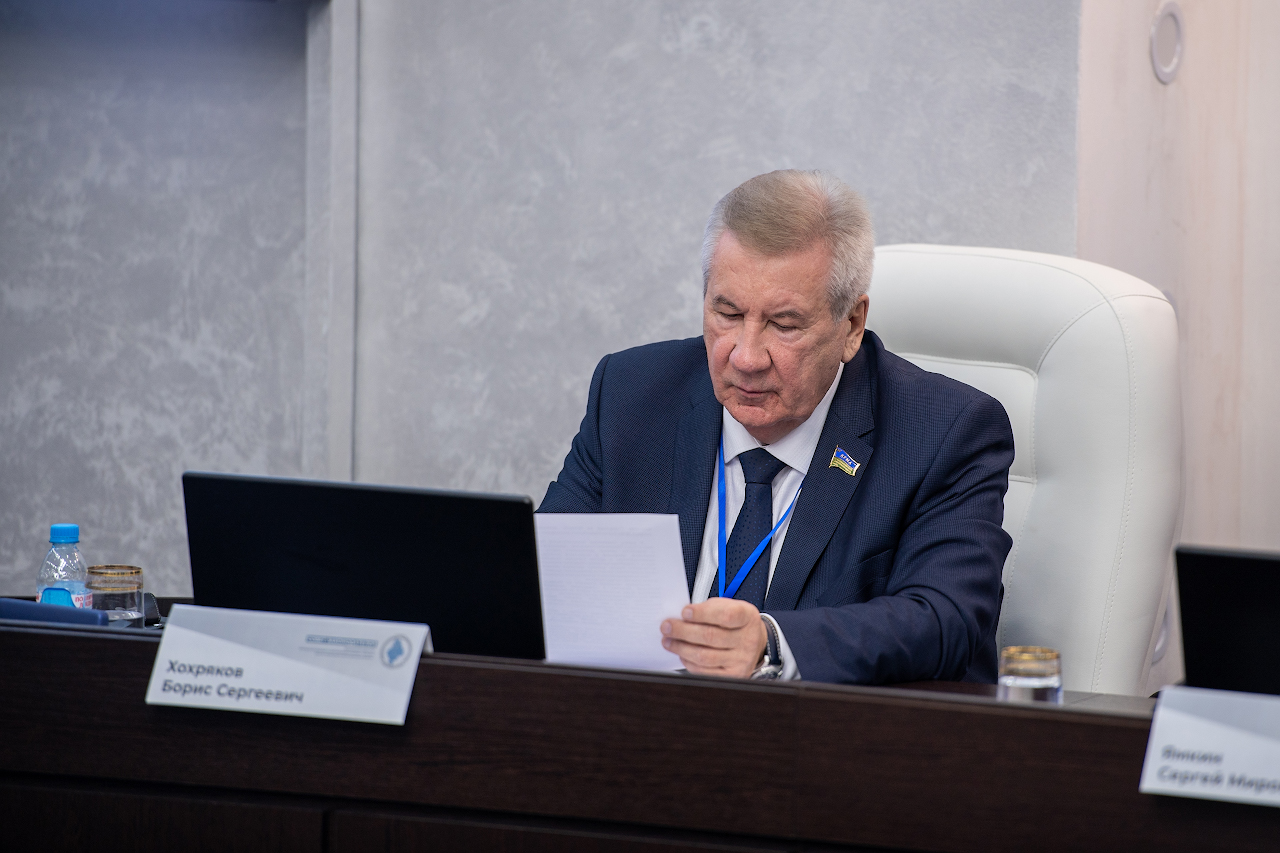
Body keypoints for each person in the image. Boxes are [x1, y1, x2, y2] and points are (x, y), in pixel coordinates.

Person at [539, 170, 1013, 684]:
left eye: (784, 325)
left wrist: (770, 645)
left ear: (852, 326)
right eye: (727, 314)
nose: (745, 357)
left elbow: (945, 620)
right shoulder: (632, 394)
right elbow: (543, 578)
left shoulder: (946, 432)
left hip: (824, 729)